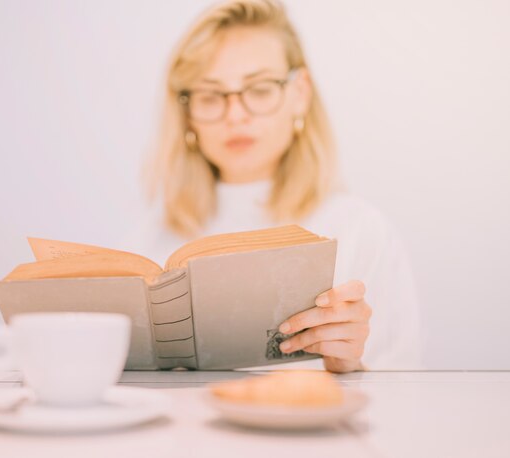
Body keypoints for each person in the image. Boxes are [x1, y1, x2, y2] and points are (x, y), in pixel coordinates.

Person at [122, 0, 422, 373]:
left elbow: (403, 405)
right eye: (211, 95)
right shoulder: (150, 239)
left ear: (300, 94)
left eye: (260, 89)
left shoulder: (360, 230)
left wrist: (350, 368)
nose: (235, 115)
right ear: (187, 112)